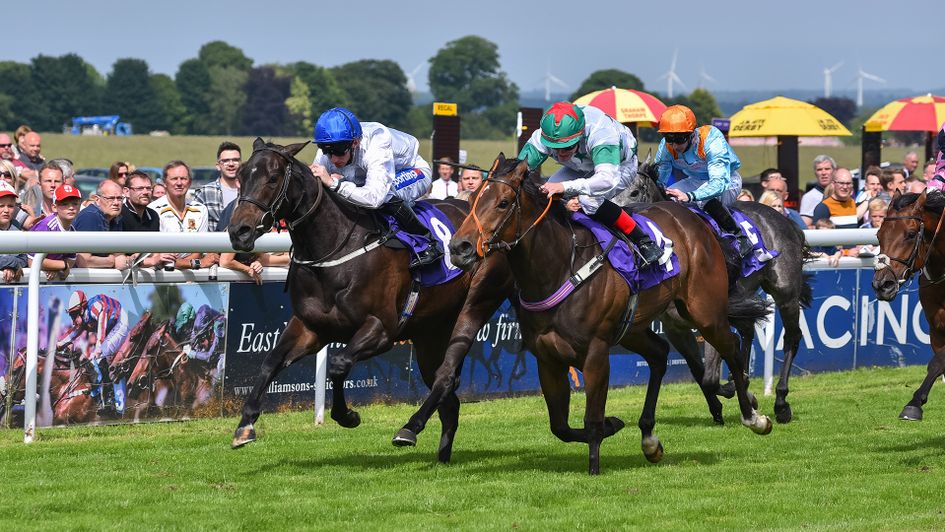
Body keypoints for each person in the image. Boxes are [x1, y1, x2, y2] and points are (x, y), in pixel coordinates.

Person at [518, 102, 661, 264]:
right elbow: (516, 172)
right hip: (581, 166)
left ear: (580, 135)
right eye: (554, 147)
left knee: (589, 200)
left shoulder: (601, 132)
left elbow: (606, 180)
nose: (560, 153)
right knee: (547, 195)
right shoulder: (543, 136)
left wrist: (564, 187)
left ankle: (644, 241)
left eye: (567, 147)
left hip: (619, 167)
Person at [308, 107, 442, 268]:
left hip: (413, 170)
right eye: (327, 151)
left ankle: (428, 242)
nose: (333, 159)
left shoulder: (377, 141)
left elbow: (375, 198)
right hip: (369, 177)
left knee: (386, 193)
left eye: (339, 151)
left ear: (355, 142)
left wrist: (334, 183)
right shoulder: (332, 144)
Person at [653, 104, 753, 256]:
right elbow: (659, 179)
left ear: (691, 133)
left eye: (679, 139)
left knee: (703, 199)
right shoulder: (666, 147)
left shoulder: (711, 139)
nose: (674, 145)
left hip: (727, 181)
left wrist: (690, 196)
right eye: (669, 138)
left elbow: (718, 183)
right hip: (694, 180)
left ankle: (739, 236)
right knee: (667, 198)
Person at [57, 290, 128, 414]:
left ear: (81, 310)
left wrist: (99, 345)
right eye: (71, 316)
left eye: (73, 315)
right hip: (111, 327)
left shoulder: (95, 307)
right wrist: (59, 343)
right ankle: (104, 398)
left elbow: (102, 319)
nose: (73, 320)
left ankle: (110, 401)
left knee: (98, 358)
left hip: (120, 322)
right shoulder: (83, 317)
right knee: (94, 361)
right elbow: (73, 332)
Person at [148, 161, 217, 271]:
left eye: (183, 179)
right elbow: (161, 258)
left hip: (192, 274)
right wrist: (197, 263)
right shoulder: (153, 209)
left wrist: (182, 263)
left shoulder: (200, 209)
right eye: (174, 179)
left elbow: (199, 251)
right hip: (162, 275)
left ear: (189, 182)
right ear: (165, 183)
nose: (179, 183)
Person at [72, 179, 131, 269]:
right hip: (80, 276)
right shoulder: (89, 217)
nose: (116, 203)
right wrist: (111, 261)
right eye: (111, 198)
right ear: (97, 199)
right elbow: (83, 261)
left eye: (119, 198)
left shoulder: (116, 218)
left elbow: (119, 256)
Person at [27, 184, 81, 281]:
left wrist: (57, 268)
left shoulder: (72, 230)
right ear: (54, 207)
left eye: (75, 203)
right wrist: (62, 265)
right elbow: (32, 261)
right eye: (65, 204)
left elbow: (71, 259)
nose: (71, 207)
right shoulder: (46, 226)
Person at [194, 141, 241, 231]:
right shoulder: (204, 193)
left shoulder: (251, 192)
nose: (231, 164)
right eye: (225, 161)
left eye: (235, 160)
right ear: (218, 166)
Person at [799, 155, 836, 227]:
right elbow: (805, 227)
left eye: (827, 169)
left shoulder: (841, 194)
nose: (823, 173)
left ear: (834, 171)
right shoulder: (809, 197)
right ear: (815, 173)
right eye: (819, 170)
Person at [0, 182, 26, 283]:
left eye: (10, 206)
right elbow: (15, 262)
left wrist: (12, 266)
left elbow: (24, 258)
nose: (6, 210)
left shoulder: (16, 227)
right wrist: (13, 263)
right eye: (1, 206)